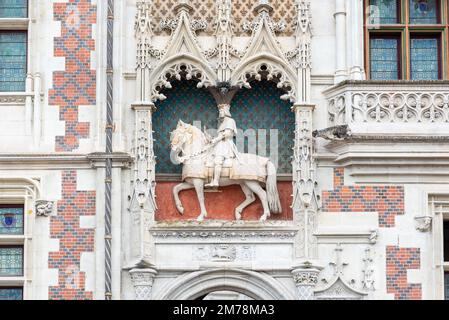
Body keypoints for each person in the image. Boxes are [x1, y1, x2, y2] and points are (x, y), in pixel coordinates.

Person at [205, 104, 240, 187]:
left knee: (218, 160)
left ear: (226, 111)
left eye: (221, 110)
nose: (220, 112)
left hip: (225, 144)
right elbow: (219, 135)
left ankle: (216, 181)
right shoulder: (222, 122)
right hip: (220, 144)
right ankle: (211, 179)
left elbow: (226, 134)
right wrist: (211, 139)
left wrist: (215, 140)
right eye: (219, 110)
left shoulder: (230, 121)